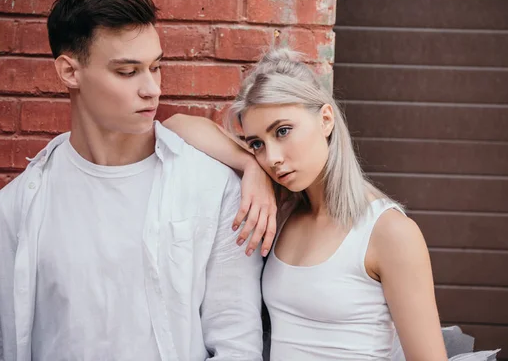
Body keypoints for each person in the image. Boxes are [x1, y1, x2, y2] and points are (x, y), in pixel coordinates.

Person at [0, 0, 277, 361]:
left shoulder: (213, 188)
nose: (152, 89)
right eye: (127, 72)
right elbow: (7, 346)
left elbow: (237, 344)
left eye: (156, 67)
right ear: (70, 72)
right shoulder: (16, 209)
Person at [163, 48, 449, 360]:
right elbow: (177, 125)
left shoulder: (388, 232)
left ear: (325, 120)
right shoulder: (284, 211)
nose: (271, 158)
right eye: (257, 143)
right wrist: (250, 168)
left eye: (283, 131)